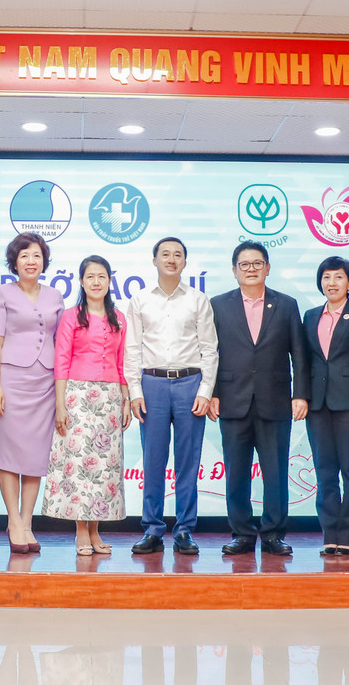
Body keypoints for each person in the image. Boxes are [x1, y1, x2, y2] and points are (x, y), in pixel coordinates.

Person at [209, 241, 306, 557]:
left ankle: (273, 533)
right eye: (244, 264)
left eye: (257, 263)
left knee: (275, 473)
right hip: (232, 400)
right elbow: (209, 353)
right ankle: (242, 533)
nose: (251, 269)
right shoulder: (218, 305)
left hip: (275, 400)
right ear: (234, 270)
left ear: (267, 267)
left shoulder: (286, 304)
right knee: (236, 473)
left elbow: (299, 354)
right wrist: (212, 394)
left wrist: (300, 394)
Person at [124, 236, 218, 555]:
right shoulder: (140, 300)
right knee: (153, 459)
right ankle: (152, 529)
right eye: (165, 254)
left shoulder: (198, 299)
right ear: (155, 260)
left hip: (190, 383)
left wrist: (205, 390)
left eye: (178, 254)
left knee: (188, 461)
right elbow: (132, 349)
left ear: (185, 262)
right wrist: (135, 391)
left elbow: (209, 349)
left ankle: (185, 530)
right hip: (151, 384)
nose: (171, 259)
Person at [42, 255, 129, 555]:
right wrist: (60, 405)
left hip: (110, 399)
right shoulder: (71, 316)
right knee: (79, 464)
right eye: (90, 276)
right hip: (77, 396)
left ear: (109, 281)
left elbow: (122, 363)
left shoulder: (119, 318)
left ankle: (95, 530)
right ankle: (81, 530)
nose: (96, 282)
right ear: (81, 281)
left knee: (104, 466)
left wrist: (126, 400)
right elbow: (61, 361)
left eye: (102, 276)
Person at [0, 233, 64, 552]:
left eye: (36, 256)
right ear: (14, 262)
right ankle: (13, 521)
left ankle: (27, 522)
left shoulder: (55, 296)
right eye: (24, 256)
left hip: (44, 382)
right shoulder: (2, 293)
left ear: (44, 261)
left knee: (35, 456)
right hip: (11, 381)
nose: (31, 261)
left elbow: (61, 343)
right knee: (9, 454)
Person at [301, 256, 349, 557]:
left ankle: (348, 535)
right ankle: (330, 533)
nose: (331, 283)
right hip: (318, 405)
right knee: (324, 472)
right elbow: (305, 361)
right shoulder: (310, 316)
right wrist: (303, 397)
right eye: (326, 277)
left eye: (338, 277)